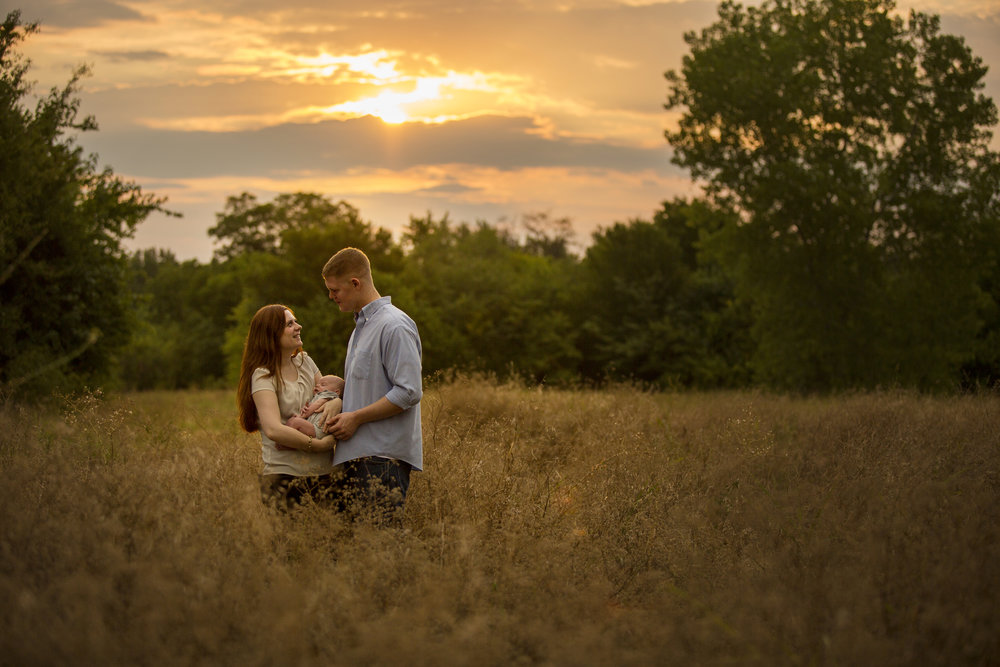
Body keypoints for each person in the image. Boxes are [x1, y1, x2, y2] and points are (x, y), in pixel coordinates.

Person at [321, 247, 423, 519]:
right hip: (358, 457)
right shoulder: (360, 328)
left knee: (382, 551)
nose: (331, 297)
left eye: (335, 290)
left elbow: (409, 392)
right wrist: (345, 385)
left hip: (382, 460)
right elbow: (381, 384)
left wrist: (354, 417)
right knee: (360, 555)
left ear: (355, 283)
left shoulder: (394, 325)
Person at [236, 304, 340, 510]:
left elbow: (327, 394)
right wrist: (318, 445)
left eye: (296, 321)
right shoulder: (263, 375)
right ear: (271, 334)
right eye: (290, 324)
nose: (298, 326)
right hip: (284, 477)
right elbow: (274, 429)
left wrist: (338, 402)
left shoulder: (306, 362)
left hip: (326, 473)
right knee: (289, 542)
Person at [284, 374, 344, 439]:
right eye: (317, 384)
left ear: (337, 392)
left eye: (323, 384)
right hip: (313, 426)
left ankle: (283, 442)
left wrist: (303, 415)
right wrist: (305, 408)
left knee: (294, 422)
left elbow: (317, 404)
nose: (317, 385)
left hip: (319, 429)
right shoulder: (319, 396)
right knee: (293, 422)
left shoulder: (329, 395)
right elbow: (313, 408)